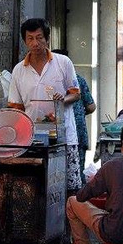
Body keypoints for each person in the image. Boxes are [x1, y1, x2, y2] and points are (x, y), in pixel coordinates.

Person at [8, 18, 83, 193]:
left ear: (47, 39)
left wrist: (61, 101)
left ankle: (68, 220)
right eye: (30, 38)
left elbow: (76, 94)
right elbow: (15, 107)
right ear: (25, 41)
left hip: (64, 136)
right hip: (33, 138)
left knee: (68, 188)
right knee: (37, 188)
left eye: (39, 37)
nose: (35, 43)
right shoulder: (19, 70)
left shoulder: (63, 62)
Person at [52, 49, 96, 185]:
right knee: (77, 174)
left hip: (61, 134)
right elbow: (91, 106)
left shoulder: (52, 81)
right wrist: (80, 113)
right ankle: (76, 203)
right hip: (78, 131)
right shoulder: (79, 79)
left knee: (57, 176)